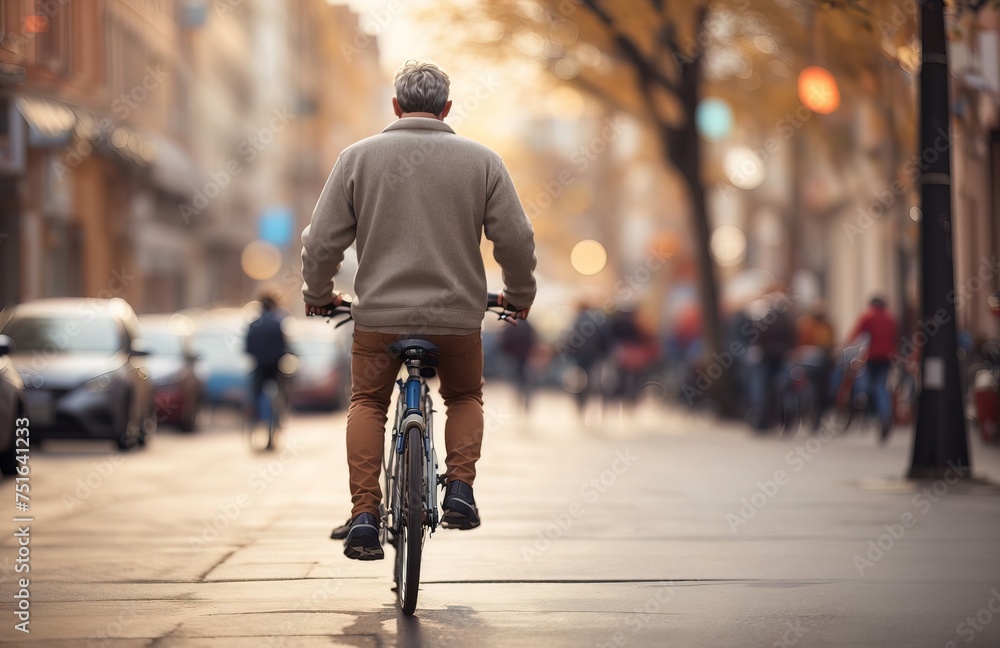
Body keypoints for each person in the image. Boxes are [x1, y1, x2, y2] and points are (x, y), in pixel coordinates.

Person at [300, 60, 537, 561]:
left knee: (367, 402)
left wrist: (319, 293)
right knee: (465, 396)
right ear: (447, 108)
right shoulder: (483, 162)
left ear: (395, 106)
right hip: (456, 320)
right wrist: (519, 294)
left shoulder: (356, 159)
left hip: (378, 321)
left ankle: (365, 515)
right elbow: (516, 239)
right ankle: (460, 489)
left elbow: (321, 242)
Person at [845, 296, 899, 441]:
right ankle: (885, 415)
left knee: (869, 384)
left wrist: (846, 346)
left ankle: (867, 406)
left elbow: (855, 334)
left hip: (873, 356)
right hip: (888, 356)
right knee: (882, 384)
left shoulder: (868, 317)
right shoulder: (891, 319)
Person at [244, 292, 290, 422]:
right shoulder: (278, 324)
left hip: (259, 366)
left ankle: (251, 413)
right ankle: (282, 412)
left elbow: (247, 348)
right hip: (275, 367)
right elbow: (284, 347)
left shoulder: (253, 325)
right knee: (282, 388)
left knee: (254, 391)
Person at [500, 316, 537, 411]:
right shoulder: (527, 324)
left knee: (516, 378)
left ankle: (519, 399)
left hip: (514, 356)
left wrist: (508, 352)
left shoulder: (510, 323)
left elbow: (504, 339)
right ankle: (525, 400)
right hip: (524, 355)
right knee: (524, 378)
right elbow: (534, 338)